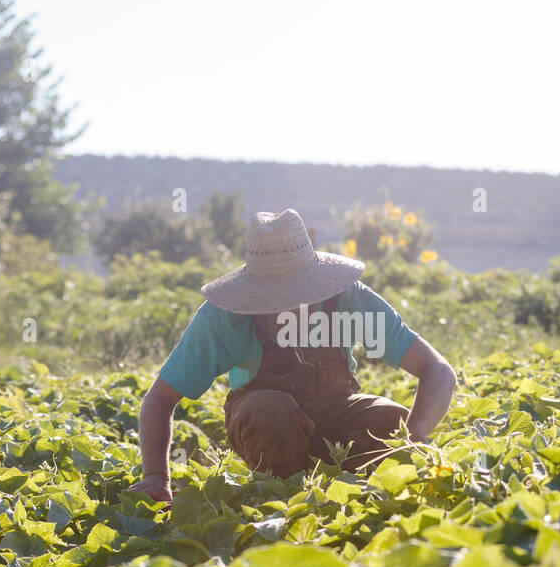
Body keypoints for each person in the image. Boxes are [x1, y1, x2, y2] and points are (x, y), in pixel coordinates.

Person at [128, 208, 457, 504]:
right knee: (271, 410)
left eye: (300, 297)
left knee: (391, 420)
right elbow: (160, 399)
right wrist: (156, 476)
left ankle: (359, 501)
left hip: (337, 411)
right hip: (263, 420)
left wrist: (414, 436)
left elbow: (436, 369)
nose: (289, 307)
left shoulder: (349, 300)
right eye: (275, 300)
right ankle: (283, 501)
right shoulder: (223, 317)